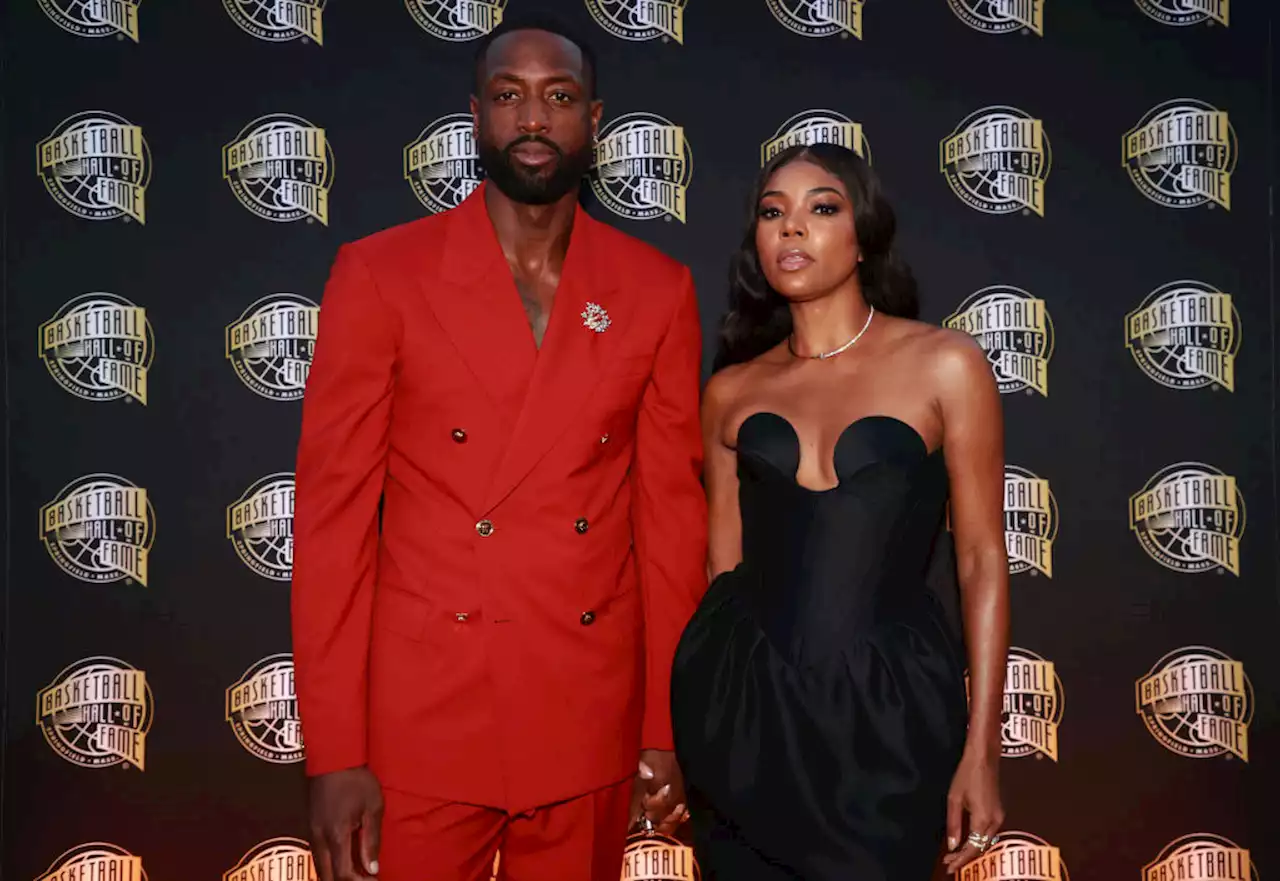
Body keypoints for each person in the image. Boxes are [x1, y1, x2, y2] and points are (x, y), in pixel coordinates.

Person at [290, 16, 707, 881]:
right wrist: (334, 752)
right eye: (509, 96)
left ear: (594, 120)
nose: (532, 118)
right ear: (474, 115)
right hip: (423, 717)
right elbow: (332, 528)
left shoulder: (657, 289)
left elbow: (669, 526)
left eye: (557, 97)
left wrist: (666, 725)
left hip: (583, 708)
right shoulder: (381, 274)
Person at [669, 142, 1010, 880]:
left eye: (821, 208)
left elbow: (980, 558)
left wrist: (981, 748)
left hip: (887, 722)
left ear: (863, 236)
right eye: (772, 212)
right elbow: (720, 568)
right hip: (745, 720)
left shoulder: (946, 364)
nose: (791, 229)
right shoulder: (731, 390)